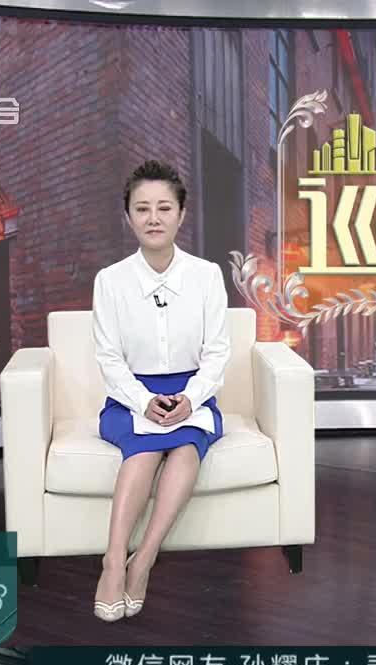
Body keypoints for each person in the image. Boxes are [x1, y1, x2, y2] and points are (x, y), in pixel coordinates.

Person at [90, 160, 230, 621]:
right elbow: (109, 358)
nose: (154, 218)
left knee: (187, 446)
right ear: (127, 216)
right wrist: (143, 401)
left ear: (181, 214)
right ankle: (114, 561)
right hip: (131, 396)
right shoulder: (110, 280)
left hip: (192, 393)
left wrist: (192, 398)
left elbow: (217, 353)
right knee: (145, 448)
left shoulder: (207, 275)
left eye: (164, 208)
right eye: (142, 208)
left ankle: (144, 559)